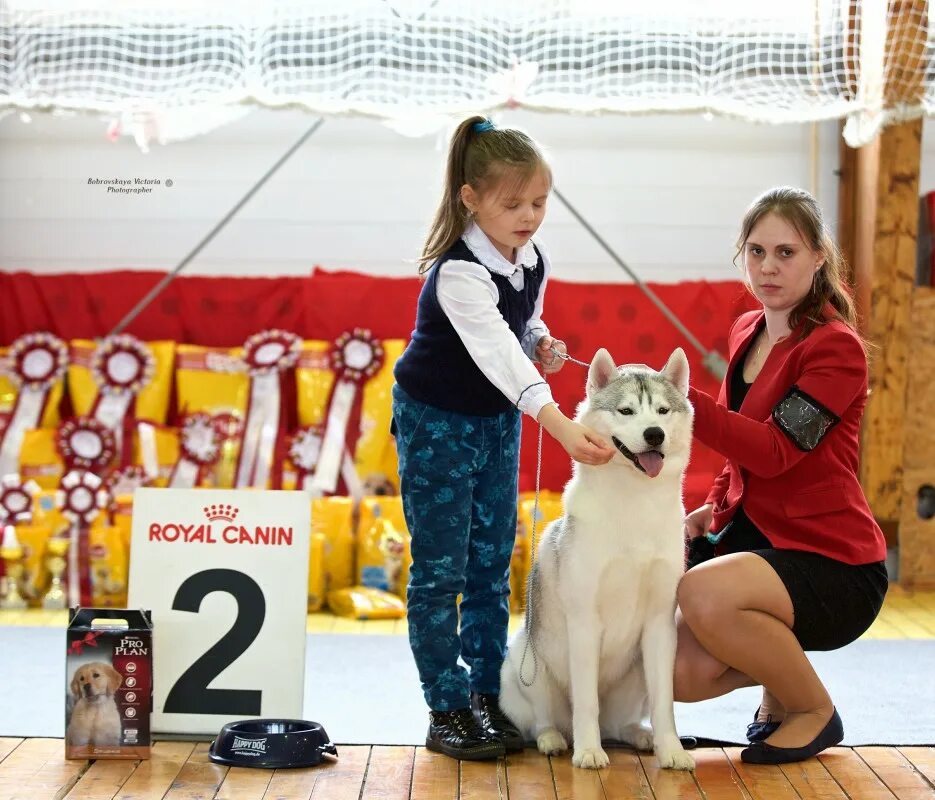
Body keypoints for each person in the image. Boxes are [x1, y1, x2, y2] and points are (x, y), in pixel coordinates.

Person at [391, 116, 615, 761]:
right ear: (470, 199)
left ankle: (488, 694)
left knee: (491, 566)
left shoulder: (533, 258)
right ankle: (446, 705)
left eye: (539, 203)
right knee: (441, 571)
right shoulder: (458, 273)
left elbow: (522, 331)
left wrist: (542, 341)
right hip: (437, 423)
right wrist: (561, 422)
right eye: (512, 203)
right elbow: (496, 354)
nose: (529, 217)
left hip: (496, 422)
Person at [674, 186, 888, 764]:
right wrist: (712, 511)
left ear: (820, 257)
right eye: (757, 251)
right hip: (760, 544)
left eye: (786, 253)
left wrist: (681, 402)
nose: (768, 267)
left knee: (701, 592)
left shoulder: (837, 350)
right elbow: (736, 456)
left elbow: (772, 451)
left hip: (833, 561)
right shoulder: (747, 330)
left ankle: (812, 710)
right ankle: (779, 679)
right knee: (675, 672)